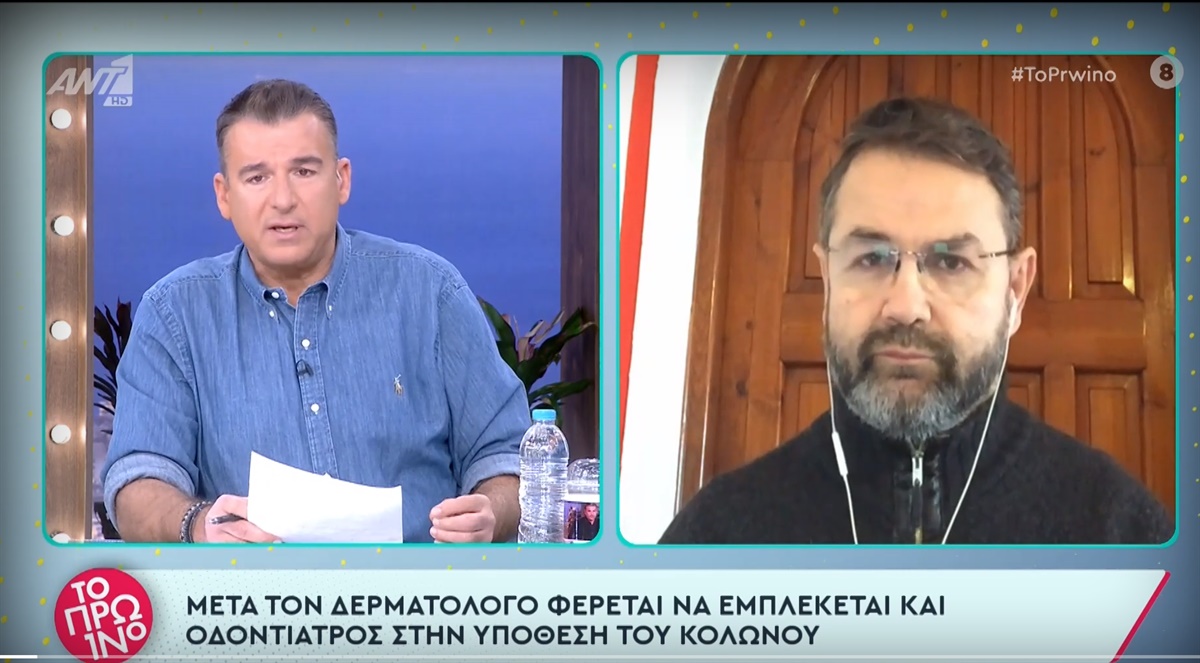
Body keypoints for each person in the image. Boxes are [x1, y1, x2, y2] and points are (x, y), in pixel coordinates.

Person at [659, 97, 1174, 546]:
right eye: (871, 258)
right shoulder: (717, 537)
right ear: (828, 278)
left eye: (951, 262)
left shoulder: (1121, 533)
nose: (906, 306)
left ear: (1015, 290)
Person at [102, 79, 529, 544]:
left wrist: (491, 512)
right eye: (257, 177)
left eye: (304, 171)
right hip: (246, 589)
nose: (283, 199)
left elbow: (507, 457)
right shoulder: (175, 313)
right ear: (224, 195)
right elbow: (137, 479)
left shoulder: (430, 291)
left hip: (419, 587)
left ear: (341, 179)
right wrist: (197, 524)